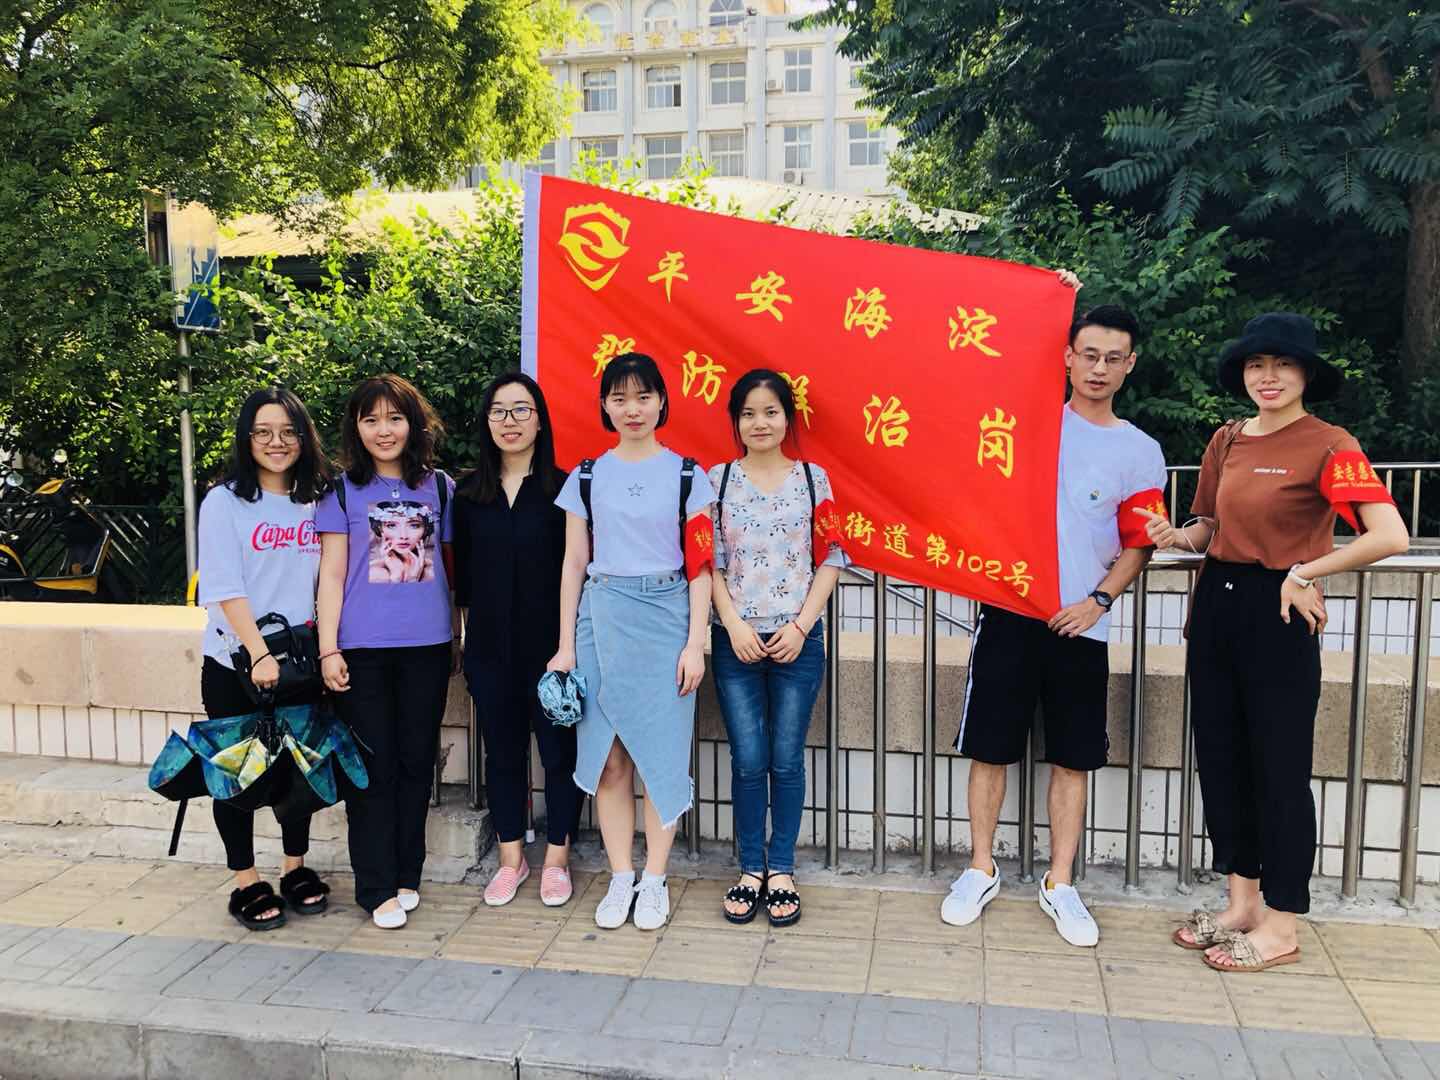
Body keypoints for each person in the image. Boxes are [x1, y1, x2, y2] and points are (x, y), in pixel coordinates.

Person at [1147, 312, 1406, 972]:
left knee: (1279, 769)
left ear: (1306, 374)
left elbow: (1389, 535)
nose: (1268, 376)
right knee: (1222, 760)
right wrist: (1176, 537)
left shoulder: (1329, 444)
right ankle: (1241, 904)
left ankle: (1282, 923)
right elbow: (1208, 525)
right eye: (1256, 364)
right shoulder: (1228, 439)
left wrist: (1305, 572)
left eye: (1283, 364)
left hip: (1280, 610)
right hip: (1217, 608)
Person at [942, 298, 1167, 948]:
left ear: (1130, 365)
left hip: (1081, 624)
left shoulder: (1139, 451)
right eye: (1088, 354)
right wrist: (1045, 296)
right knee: (990, 747)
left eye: (1112, 358)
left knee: (1073, 757)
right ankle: (980, 868)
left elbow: (1139, 542)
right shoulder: (1025, 423)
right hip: (1009, 611)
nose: (1099, 368)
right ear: (1067, 357)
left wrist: (1098, 600)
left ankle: (1060, 881)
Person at [547, 352, 715, 932]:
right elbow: (573, 564)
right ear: (605, 406)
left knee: (660, 756)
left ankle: (656, 878)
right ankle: (621, 875)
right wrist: (566, 646)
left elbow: (701, 566)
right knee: (608, 759)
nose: (632, 409)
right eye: (619, 398)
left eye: (643, 396)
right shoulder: (586, 477)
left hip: (667, 619)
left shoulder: (690, 475)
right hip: (601, 620)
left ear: (662, 402)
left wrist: (695, 643)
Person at [316, 374, 459, 930]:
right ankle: (374, 886)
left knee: (416, 763)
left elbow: (453, 571)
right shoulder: (340, 491)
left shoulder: (439, 487)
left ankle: (406, 875)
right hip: (363, 651)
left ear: (413, 425)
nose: (384, 430)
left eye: (395, 418)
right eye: (371, 419)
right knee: (372, 770)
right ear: (356, 427)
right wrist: (329, 649)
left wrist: (459, 634)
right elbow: (331, 575)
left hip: (428, 647)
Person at [709, 369, 848, 928]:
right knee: (748, 759)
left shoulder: (814, 479)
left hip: (798, 641)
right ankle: (750, 868)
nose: (759, 423)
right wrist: (733, 625)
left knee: (786, 757)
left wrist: (800, 627)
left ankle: (782, 869)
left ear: (788, 417)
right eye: (748, 413)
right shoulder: (718, 480)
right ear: (736, 421)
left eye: (770, 411)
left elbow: (832, 556)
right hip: (735, 642)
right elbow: (708, 562)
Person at [196, 387, 333, 930]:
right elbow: (224, 585)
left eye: (288, 432)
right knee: (236, 774)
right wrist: (257, 653)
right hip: (236, 662)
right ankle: (246, 880)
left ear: (303, 438)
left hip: (298, 660)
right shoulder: (224, 501)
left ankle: (295, 867)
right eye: (263, 432)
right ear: (246, 438)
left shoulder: (316, 498)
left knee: (296, 769)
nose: (277, 443)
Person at [454, 372, 582, 908]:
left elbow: (578, 570)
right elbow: (460, 579)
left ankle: (556, 859)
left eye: (521, 409)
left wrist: (568, 647)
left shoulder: (564, 490)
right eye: (499, 411)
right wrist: (463, 642)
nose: (510, 421)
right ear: (487, 422)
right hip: (489, 650)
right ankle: (512, 860)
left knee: (558, 756)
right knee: (502, 756)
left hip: (552, 651)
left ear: (540, 420)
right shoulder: (467, 495)